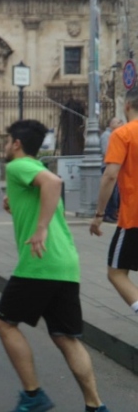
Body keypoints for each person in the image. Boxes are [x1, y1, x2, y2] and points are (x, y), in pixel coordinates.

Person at [0, 120, 108, 412]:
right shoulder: (36, 169)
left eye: (7, 141)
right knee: (64, 336)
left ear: (17, 144)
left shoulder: (17, 166)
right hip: (65, 263)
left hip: (39, 262)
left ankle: (33, 396)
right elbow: (46, 186)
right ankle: (96, 406)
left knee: (4, 323)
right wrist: (16, 203)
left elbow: (54, 185)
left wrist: (41, 228)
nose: (6, 146)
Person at [91, 87, 138, 320]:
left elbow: (110, 176)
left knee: (116, 272)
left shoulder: (123, 134)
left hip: (134, 218)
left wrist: (99, 214)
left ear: (127, 106)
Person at [99, 117, 123, 223]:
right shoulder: (107, 135)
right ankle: (107, 214)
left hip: (114, 166)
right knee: (112, 191)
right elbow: (106, 152)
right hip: (108, 166)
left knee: (115, 192)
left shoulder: (116, 135)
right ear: (111, 124)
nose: (121, 124)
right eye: (119, 122)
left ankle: (112, 213)